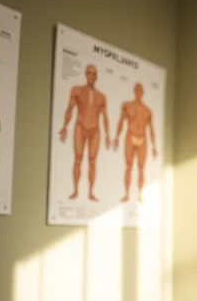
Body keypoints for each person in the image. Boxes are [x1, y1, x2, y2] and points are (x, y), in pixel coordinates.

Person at [58, 64, 110, 202]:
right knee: (78, 159)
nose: (91, 76)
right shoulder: (77, 91)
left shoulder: (101, 96)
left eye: (94, 74)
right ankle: (75, 190)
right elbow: (70, 109)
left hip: (95, 130)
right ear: (85, 74)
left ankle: (91, 192)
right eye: (89, 73)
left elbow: (105, 117)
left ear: (96, 76)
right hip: (80, 127)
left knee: (92, 161)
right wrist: (64, 126)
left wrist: (108, 135)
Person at [113, 83, 158, 203]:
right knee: (128, 166)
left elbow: (151, 129)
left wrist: (154, 146)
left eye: (140, 90)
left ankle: (140, 194)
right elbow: (121, 121)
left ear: (142, 92)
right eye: (137, 89)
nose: (138, 91)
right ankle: (126, 194)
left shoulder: (147, 111)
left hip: (142, 138)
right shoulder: (127, 106)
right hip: (130, 136)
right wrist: (116, 137)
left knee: (141, 168)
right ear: (134, 91)